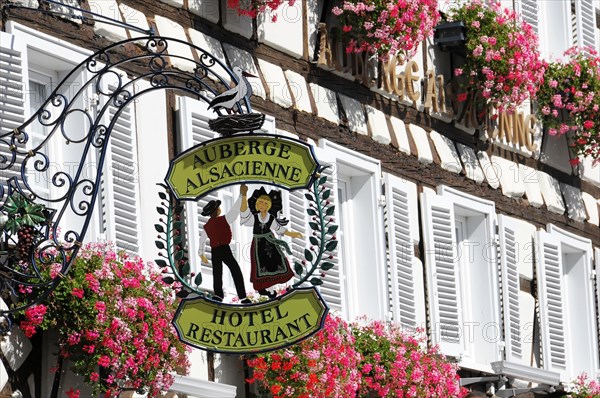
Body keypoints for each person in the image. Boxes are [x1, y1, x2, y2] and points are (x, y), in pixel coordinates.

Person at [240, 187, 303, 298]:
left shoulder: (270, 218)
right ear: (257, 205)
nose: (262, 205)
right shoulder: (254, 218)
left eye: (265, 203)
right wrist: (244, 195)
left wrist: (292, 234)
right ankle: (264, 289)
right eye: (260, 203)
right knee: (261, 265)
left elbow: (279, 229)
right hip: (258, 244)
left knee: (278, 261)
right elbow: (244, 213)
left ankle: (281, 288)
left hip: (270, 242)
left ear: (268, 206)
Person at [199, 184, 251, 304]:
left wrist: (201, 254)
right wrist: (242, 195)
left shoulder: (207, 226)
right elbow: (235, 209)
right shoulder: (224, 219)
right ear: (217, 211)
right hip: (223, 248)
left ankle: (218, 295)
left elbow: (202, 241)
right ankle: (242, 296)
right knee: (235, 270)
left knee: (217, 272)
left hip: (216, 250)